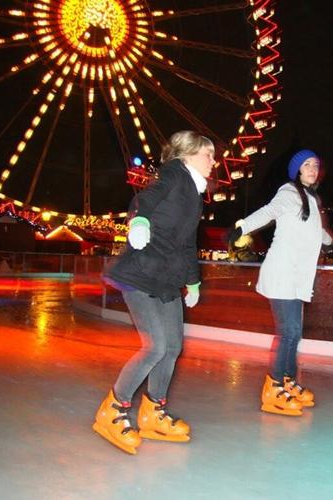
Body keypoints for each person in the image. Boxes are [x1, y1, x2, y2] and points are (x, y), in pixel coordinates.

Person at [94, 130, 215, 454]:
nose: (214, 162)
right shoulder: (175, 173)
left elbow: (189, 243)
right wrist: (140, 222)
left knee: (173, 346)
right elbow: (144, 199)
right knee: (155, 346)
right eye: (208, 154)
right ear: (188, 154)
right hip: (143, 272)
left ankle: (153, 411)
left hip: (167, 278)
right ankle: (114, 409)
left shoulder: (194, 193)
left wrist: (193, 281)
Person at [229, 149, 333, 416]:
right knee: (288, 333)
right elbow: (269, 212)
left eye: (315, 164)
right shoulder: (289, 192)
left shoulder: (310, 197)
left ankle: (287, 381)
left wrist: (332, 242)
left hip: (297, 277)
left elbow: (315, 231)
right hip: (283, 273)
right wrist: (241, 228)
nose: (312, 169)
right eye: (306, 165)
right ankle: (273, 388)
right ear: (297, 170)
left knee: (294, 334)